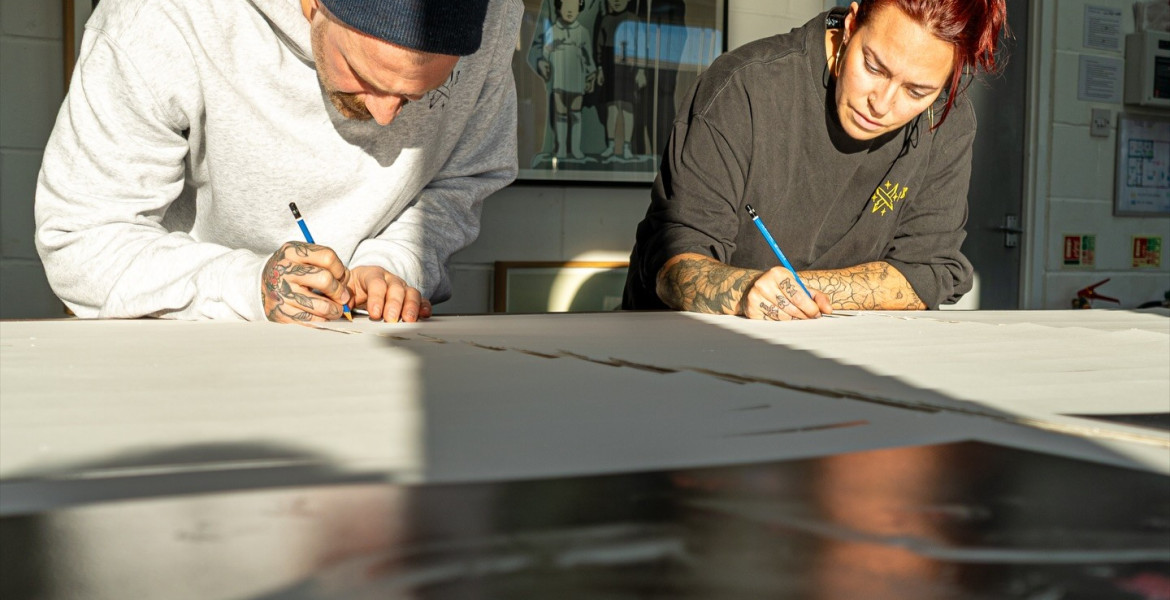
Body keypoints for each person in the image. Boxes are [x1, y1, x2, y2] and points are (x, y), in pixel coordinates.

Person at [35, 0, 523, 324]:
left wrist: (394, 261)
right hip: (188, 358)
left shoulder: (495, 14)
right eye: (363, 76)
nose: (384, 116)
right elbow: (83, 238)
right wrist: (247, 287)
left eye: (420, 94)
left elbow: (464, 177)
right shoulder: (164, 16)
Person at [622, 0, 1007, 320]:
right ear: (851, 25)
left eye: (917, 90)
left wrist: (795, 291)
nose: (882, 103)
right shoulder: (745, 88)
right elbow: (674, 265)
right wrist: (745, 292)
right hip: (682, 354)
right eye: (873, 67)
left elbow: (930, 270)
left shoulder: (945, 119)